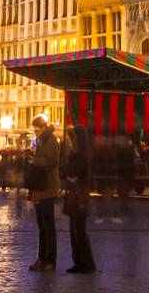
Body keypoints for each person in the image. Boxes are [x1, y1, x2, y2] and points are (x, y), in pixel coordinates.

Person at [27, 113, 61, 272]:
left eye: (36, 130)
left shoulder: (51, 139)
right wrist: (33, 154)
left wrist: (36, 160)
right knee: (41, 225)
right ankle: (41, 258)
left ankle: (50, 260)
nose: (35, 133)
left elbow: (53, 160)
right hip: (39, 186)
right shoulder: (41, 140)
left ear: (43, 128)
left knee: (48, 225)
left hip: (48, 186)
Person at [61, 125, 96, 274]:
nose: (68, 142)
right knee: (73, 232)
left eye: (70, 139)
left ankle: (87, 263)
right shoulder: (75, 154)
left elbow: (73, 175)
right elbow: (65, 172)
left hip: (79, 197)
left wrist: (68, 174)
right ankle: (79, 262)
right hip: (73, 196)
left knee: (79, 232)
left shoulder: (82, 155)